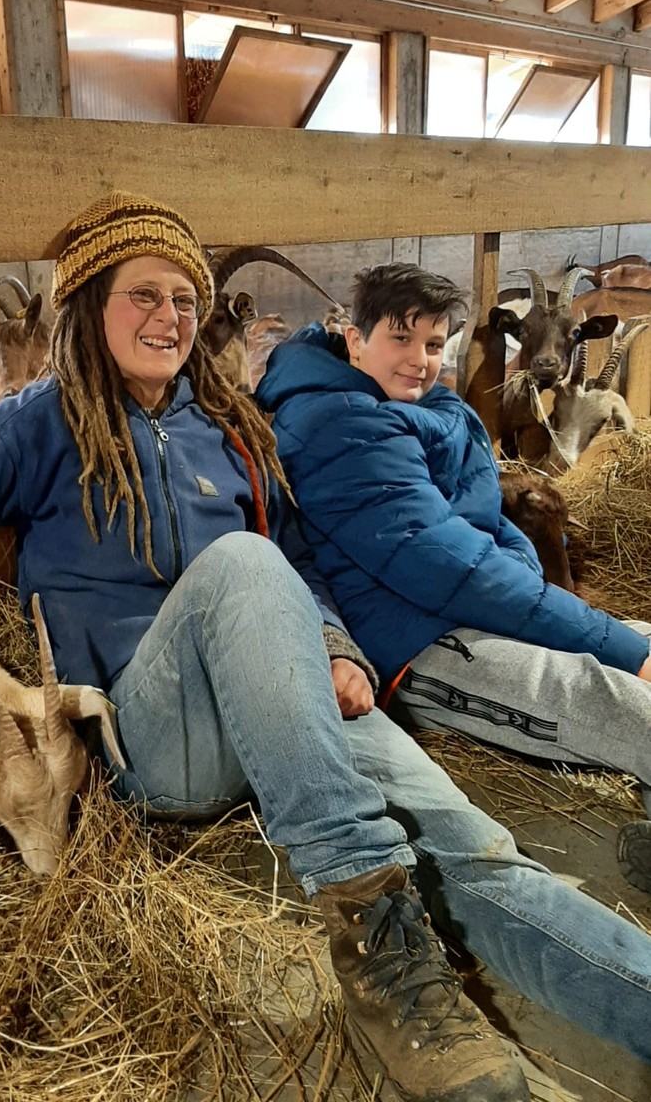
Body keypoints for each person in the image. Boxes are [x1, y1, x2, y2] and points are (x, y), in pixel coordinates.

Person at [0, 195, 651, 1100]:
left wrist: (336, 646)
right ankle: (378, 941)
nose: (170, 317)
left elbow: (297, 560)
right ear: (90, 310)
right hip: (157, 733)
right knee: (238, 561)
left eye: (184, 299)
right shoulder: (38, 421)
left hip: (285, 696)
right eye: (143, 295)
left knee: (474, 848)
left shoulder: (228, 426)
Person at [256, 261, 651, 898]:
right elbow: (447, 564)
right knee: (592, 688)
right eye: (400, 339)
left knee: (636, 637)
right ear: (354, 340)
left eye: (434, 345)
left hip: (471, 599)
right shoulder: (336, 426)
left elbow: (485, 525)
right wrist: (623, 650)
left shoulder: (422, 408)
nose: (420, 360)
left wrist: (557, 596)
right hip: (417, 640)